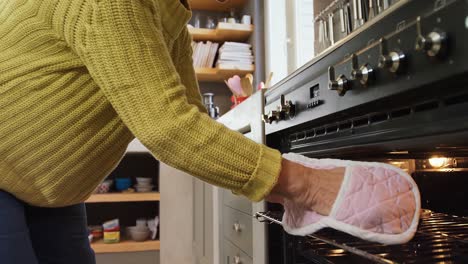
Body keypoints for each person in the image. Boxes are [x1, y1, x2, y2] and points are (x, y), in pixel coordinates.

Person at [0, 0, 344, 263]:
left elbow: (190, 117)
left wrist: (273, 184)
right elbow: (168, 128)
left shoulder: (172, 22)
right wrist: (307, 183)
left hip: (50, 193)